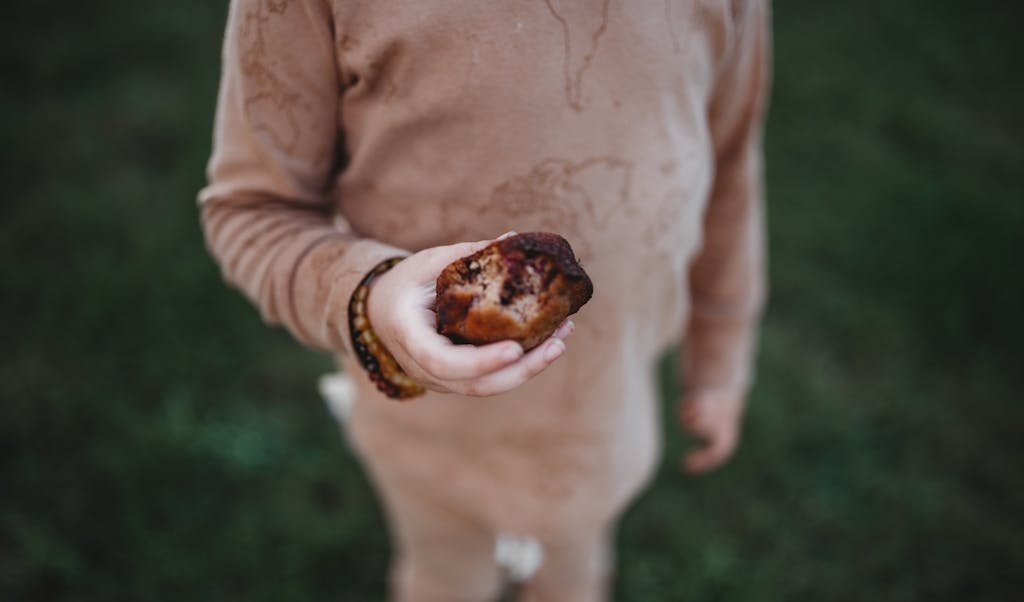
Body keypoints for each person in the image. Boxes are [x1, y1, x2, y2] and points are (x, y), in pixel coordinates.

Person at [199, 0, 770, 599]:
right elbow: (254, 212)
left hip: (602, 419)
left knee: (572, 580)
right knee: (446, 582)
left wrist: (720, 356)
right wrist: (371, 293)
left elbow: (727, 166)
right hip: (430, 441)